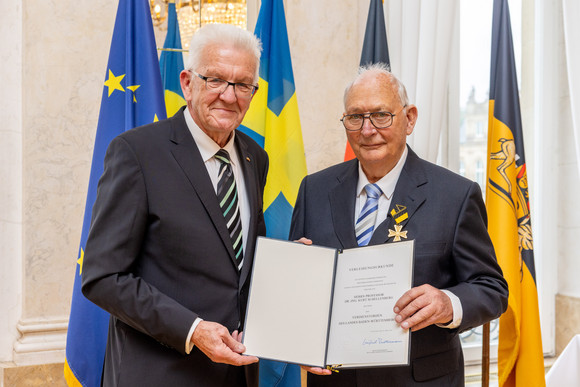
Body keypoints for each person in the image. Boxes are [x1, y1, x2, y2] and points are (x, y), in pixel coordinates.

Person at [289, 63, 508, 386]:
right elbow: (300, 290)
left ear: (410, 118)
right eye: (355, 117)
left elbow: (492, 289)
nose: (367, 129)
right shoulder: (314, 190)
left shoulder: (455, 195)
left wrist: (448, 303)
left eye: (381, 115)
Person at [81, 24, 268, 387]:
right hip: (159, 373)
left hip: (237, 374)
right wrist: (193, 330)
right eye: (215, 79)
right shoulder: (137, 152)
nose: (229, 97)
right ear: (187, 82)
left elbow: (239, 266)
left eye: (243, 84)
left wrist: (291, 265)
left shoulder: (254, 158)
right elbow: (103, 277)